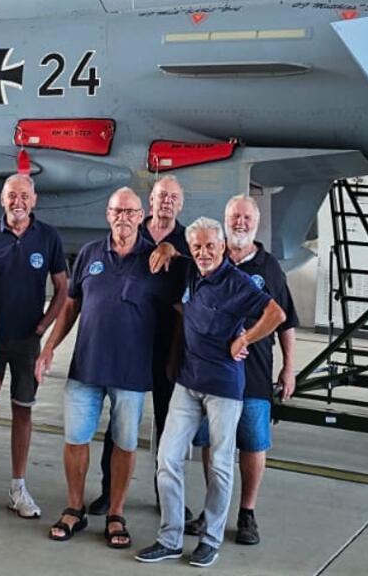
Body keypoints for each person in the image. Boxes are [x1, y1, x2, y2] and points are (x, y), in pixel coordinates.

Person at [138, 216, 285, 568]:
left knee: (220, 465)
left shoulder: (238, 282)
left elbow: (276, 313)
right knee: (167, 459)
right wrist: (166, 246)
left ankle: (210, 539)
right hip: (188, 385)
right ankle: (170, 538)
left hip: (223, 388)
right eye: (197, 246)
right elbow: (171, 256)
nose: (204, 252)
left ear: (222, 247)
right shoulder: (190, 271)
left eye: (210, 246)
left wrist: (245, 338)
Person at [37, 187, 169, 549]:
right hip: (86, 369)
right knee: (75, 439)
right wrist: (49, 347)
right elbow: (71, 306)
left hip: (131, 373)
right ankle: (74, 508)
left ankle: (116, 513)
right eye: (116, 211)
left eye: (130, 211)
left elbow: (183, 310)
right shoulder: (91, 254)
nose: (123, 217)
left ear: (141, 215)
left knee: (125, 445)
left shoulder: (157, 259)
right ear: (107, 215)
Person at [0, 173, 68, 519]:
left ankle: (18, 488)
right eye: (12, 195)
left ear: (34, 200)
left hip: (27, 342)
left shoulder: (48, 237)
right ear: (2, 199)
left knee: (23, 410)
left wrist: (43, 326)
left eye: (24, 195)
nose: (18, 201)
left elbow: (63, 289)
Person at [94, 174, 187, 514]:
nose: (166, 202)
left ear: (181, 203)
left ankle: (166, 496)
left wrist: (173, 250)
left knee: (168, 425)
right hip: (129, 342)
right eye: (162, 196)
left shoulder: (188, 240)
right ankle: (109, 493)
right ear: (149, 202)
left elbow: (199, 274)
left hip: (168, 344)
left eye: (173, 197)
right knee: (120, 422)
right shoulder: (133, 228)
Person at [219, 196, 298, 545]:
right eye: (235, 216)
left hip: (255, 371)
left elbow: (287, 323)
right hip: (214, 373)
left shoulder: (269, 269)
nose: (240, 223)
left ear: (257, 222)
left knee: (252, 443)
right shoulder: (211, 257)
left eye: (246, 217)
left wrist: (289, 368)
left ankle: (246, 512)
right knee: (214, 444)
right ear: (225, 219)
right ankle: (215, 508)